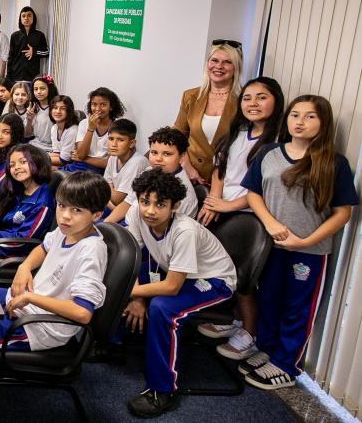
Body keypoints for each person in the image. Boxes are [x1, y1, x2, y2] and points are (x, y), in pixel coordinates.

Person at [238, 95, 357, 390]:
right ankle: (267, 348)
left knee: (297, 307)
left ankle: (285, 364)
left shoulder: (334, 163)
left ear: (323, 123)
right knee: (268, 298)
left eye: (309, 116)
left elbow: (343, 213)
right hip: (270, 246)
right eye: (294, 115)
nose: (299, 122)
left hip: (309, 252)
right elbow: (253, 194)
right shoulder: (269, 152)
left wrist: (305, 241)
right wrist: (271, 223)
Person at [0, 172, 110, 370]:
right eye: (62, 206)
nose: (65, 216)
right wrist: (24, 267)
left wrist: (31, 299)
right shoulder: (67, 230)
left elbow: (82, 313)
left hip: (39, 326)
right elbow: (43, 248)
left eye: (77, 210)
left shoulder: (91, 250)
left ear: (97, 215)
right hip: (26, 304)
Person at [122, 168, 237, 417]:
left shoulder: (184, 230)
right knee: (123, 276)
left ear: (175, 206)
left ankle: (162, 390)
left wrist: (135, 292)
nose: (150, 210)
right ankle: (114, 342)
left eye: (160, 204)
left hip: (213, 280)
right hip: (174, 271)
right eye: (145, 202)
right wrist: (138, 296)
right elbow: (133, 258)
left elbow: (172, 287)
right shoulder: (137, 214)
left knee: (163, 308)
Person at [196, 77, 284, 361]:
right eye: (247, 98)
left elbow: (265, 187)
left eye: (261, 97)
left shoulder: (278, 141)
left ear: (276, 101)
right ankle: (228, 319)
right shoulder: (238, 132)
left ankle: (249, 332)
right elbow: (219, 170)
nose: (253, 103)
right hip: (225, 208)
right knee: (221, 269)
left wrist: (229, 205)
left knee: (245, 280)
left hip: (250, 216)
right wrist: (214, 201)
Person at [174, 41, 243, 184]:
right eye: (215, 60)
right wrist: (187, 166)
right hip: (188, 176)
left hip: (226, 179)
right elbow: (177, 135)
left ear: (236, 68)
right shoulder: (190, 96)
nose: (219, 66)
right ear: (207, 64)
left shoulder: (243, 101)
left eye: (227, 62)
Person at [0, 144, 55, 264]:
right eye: (12, 165)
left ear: (37, 163)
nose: (16, 167)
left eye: (23, 162)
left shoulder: (43, 202)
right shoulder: (17, 190)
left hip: (13, 252)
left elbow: (22, 241)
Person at [126, 126, 200, 218]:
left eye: (167, 154)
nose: (158, 159)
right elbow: (127, 203)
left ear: (182, 157)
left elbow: (160, 227)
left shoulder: (184, 194)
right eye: (154, 152)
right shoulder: (148, 171)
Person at [65, 87, 126, 173]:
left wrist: (84, 159)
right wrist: (90, 129)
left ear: (111, 107)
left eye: (103, 105)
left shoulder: (117, 128)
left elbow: (109, 163)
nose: (97, 109)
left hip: (98, 171)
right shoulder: (84, 123)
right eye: (94, 104)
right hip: (78, 166)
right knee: (53, 176)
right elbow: (81, 154)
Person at [102, 119, 150, 224]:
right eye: (111, 138)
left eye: (120, 140)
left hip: (127, 212)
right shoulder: (113, 157)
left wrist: (106, 192)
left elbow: (117, 198)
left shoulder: (137, 162)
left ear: (132, 143)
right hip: (112, 206)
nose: (114, 144)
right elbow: (104, 186)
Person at [6, 6, 48, 83]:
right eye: (23, 16)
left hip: (32, 78)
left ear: (33, 17)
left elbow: (46, 53)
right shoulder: (15, 35)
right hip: (16, 77)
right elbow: (10, 57)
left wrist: (34, 52)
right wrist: (8, 77)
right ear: (20, 18)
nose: (26, 18)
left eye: (29, 15)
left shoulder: (40, 35)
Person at [47, 95, 80, 168]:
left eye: (62, 108)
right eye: (55, 108)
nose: (58, 111)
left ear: (69, 111)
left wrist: (40, 159)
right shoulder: (54, 128)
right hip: (62, 161)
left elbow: (64, 160)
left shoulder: (73, 130)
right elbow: (57, 153)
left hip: (73, 165)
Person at [29, 75, 59, 151]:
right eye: (35, 89)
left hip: (52, 148)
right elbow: (27, 134)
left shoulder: (57, 107)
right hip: (34, 145)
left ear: (50, 89)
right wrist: (29, 120)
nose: (38, 92)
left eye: (42, 88)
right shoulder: (32, 107)